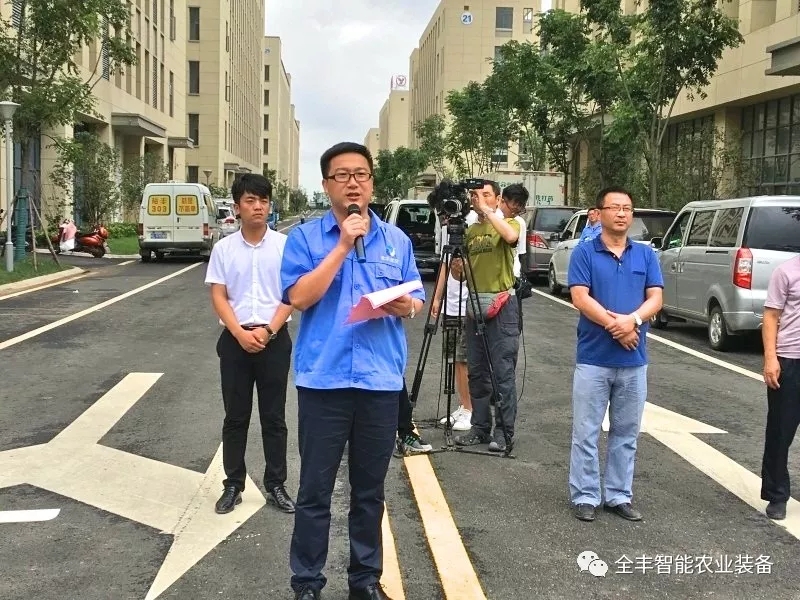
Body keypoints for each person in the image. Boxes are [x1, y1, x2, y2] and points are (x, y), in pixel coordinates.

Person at [281, 142, 425, 600]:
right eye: (342, 176)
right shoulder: (305, 239)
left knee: (370, 491)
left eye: (361, 174)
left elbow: (416, 300)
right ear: (327, 185)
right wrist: (343, 245)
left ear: (372, 183)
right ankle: (307, 583)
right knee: (314, 490)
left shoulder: (396, 241)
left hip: (380, 383)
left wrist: (406, 305)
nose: (353, 183)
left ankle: (364, 581)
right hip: (323, 382)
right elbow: (299, 298)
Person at [566, 186, 663, 523]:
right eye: (615, 207)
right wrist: (616, 326)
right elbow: (580, 297)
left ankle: (619, 495)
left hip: (634, 361)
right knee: (586, 431)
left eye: (627, 208)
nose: (622, 213)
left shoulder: (645, 255)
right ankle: (585, 495)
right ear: (600, 213)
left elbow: (655, 298)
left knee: (626, 433)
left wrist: (632, 320)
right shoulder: (585, 252)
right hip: (593, 358)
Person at [204, 173, 296, 516]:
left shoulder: (285, 246)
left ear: (270, 206)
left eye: (263, 200)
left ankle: (276, 484)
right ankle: (233, 484)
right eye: (250, 200)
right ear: (237, 207)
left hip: (275, 340)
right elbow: (219, 295)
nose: (258, 207)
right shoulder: (224, 249)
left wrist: (269, 331)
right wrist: (240, 334)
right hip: (235, 341)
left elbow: (292, 294)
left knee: (274, 417)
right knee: (235, 416)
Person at [452, 179, 521, 453]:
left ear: (497, 199)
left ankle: (504, 432)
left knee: (502, 372)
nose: (479, 199)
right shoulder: (470, 231)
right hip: (475, 304)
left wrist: (489, 212)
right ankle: (480, 428)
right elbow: (461, 275)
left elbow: (511, 238)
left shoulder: (510, 222)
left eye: (486, 194)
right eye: (475, 195)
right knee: (477, 370)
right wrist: (457, 266)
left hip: (502, 304)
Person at [760, 254, 800, 521]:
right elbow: (771, 315)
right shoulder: (785, 271)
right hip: (790, 359)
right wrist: (771, 358)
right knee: (780, 431)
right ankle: (777, 495)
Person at [432, 208, 473, 432]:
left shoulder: (472, 228)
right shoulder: (448, 232)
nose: (445, 216)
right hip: (450, 306)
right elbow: (445, 266)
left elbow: (467, 271)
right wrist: (437, 298)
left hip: (466, 307)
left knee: (464, 361)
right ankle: (462, 404)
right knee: (454, 360)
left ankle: (470, 409)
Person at [498, 184, 530, 331]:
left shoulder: (519, 222)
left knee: (511, 324)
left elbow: (520, 252)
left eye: (520, 207)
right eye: (514, 205)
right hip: (493, 280)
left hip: (512, 280)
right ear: (502, 200)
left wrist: (522, 277)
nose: (516, 211)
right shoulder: (492, 219)